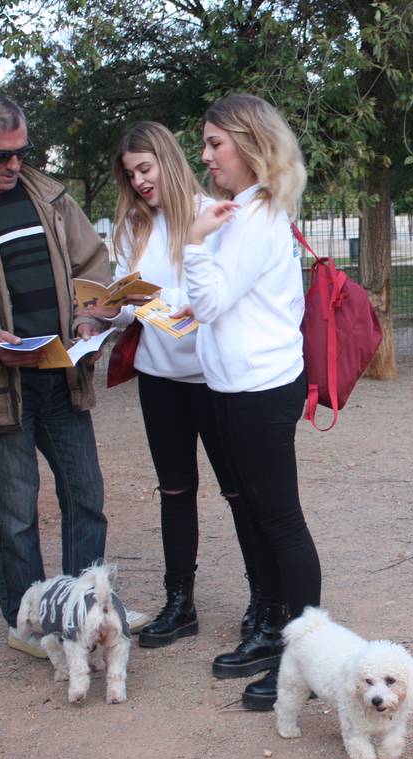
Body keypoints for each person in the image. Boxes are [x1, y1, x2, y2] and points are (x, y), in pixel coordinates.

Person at [0, 94, 147, 655]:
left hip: (62, 377)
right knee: (16, 513)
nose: (15, 165)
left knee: (85, 496)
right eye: (1, 155)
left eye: (22, 152)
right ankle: (28, 624)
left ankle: (90, 609)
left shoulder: (53, 198)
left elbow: (93, 269)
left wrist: (92, 317)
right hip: (0, 385)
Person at [96, 121, 266, 650]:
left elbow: (224, 293)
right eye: (131, 175)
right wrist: (112, 309)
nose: (140, 182)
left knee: (240, 491)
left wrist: (181, 305)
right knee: (175, 490)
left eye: (145, 168)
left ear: (167, 159)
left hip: (214, 377)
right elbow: (131, 311)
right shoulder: (131, 227)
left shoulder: (210, 213)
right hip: (160, 377)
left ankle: (262, 599)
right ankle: (180, 602)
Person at [183, 94, 319, 710]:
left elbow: (212, 301)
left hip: (260, 390)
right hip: (235, 386)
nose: (206, 155)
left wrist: (190, 243)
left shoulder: (257, 217)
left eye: (216, 143)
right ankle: (271, 631)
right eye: (206, 143)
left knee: (280, 520)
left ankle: (307, 656)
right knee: (257, 516)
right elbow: (221, 302)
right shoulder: (242, 213)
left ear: (251, 144)